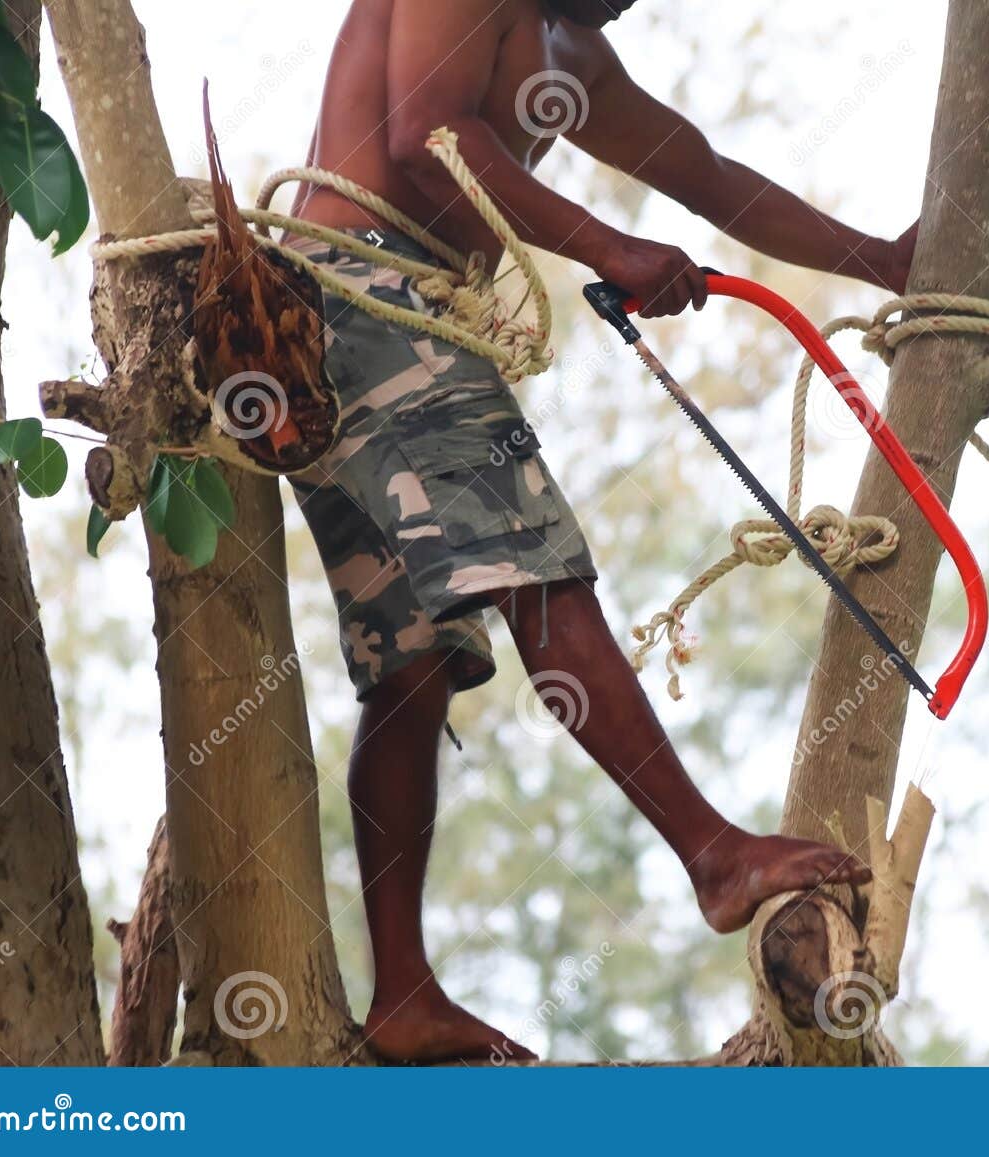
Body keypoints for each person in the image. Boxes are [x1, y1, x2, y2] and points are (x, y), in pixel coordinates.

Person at [287, 0, 917, 1063]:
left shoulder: (573, 52)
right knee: (537, 570)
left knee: (415, 661)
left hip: (386, 313)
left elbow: (708, 177)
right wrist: (612, 246)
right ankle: (714, 854)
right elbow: (427, 141)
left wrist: (883, 261)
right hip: (359, 291)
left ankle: (401, 994)